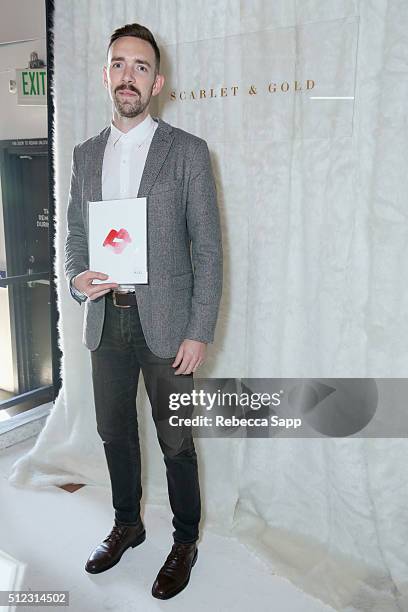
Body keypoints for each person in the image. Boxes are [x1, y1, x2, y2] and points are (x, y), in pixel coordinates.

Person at [63, 22, 223, 600]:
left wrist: (199, 330)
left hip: (167, 324)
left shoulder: (187, 152)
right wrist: (77, 278)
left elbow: (206, 248)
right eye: (118, 64)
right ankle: (128, 524)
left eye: (140, 66)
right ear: (107, 75)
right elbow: (75, 235)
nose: (128, 75)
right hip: (107, 319)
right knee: (113, 433)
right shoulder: (85, 155)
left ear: (157, 83)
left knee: (175, 439)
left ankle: (184, 541)